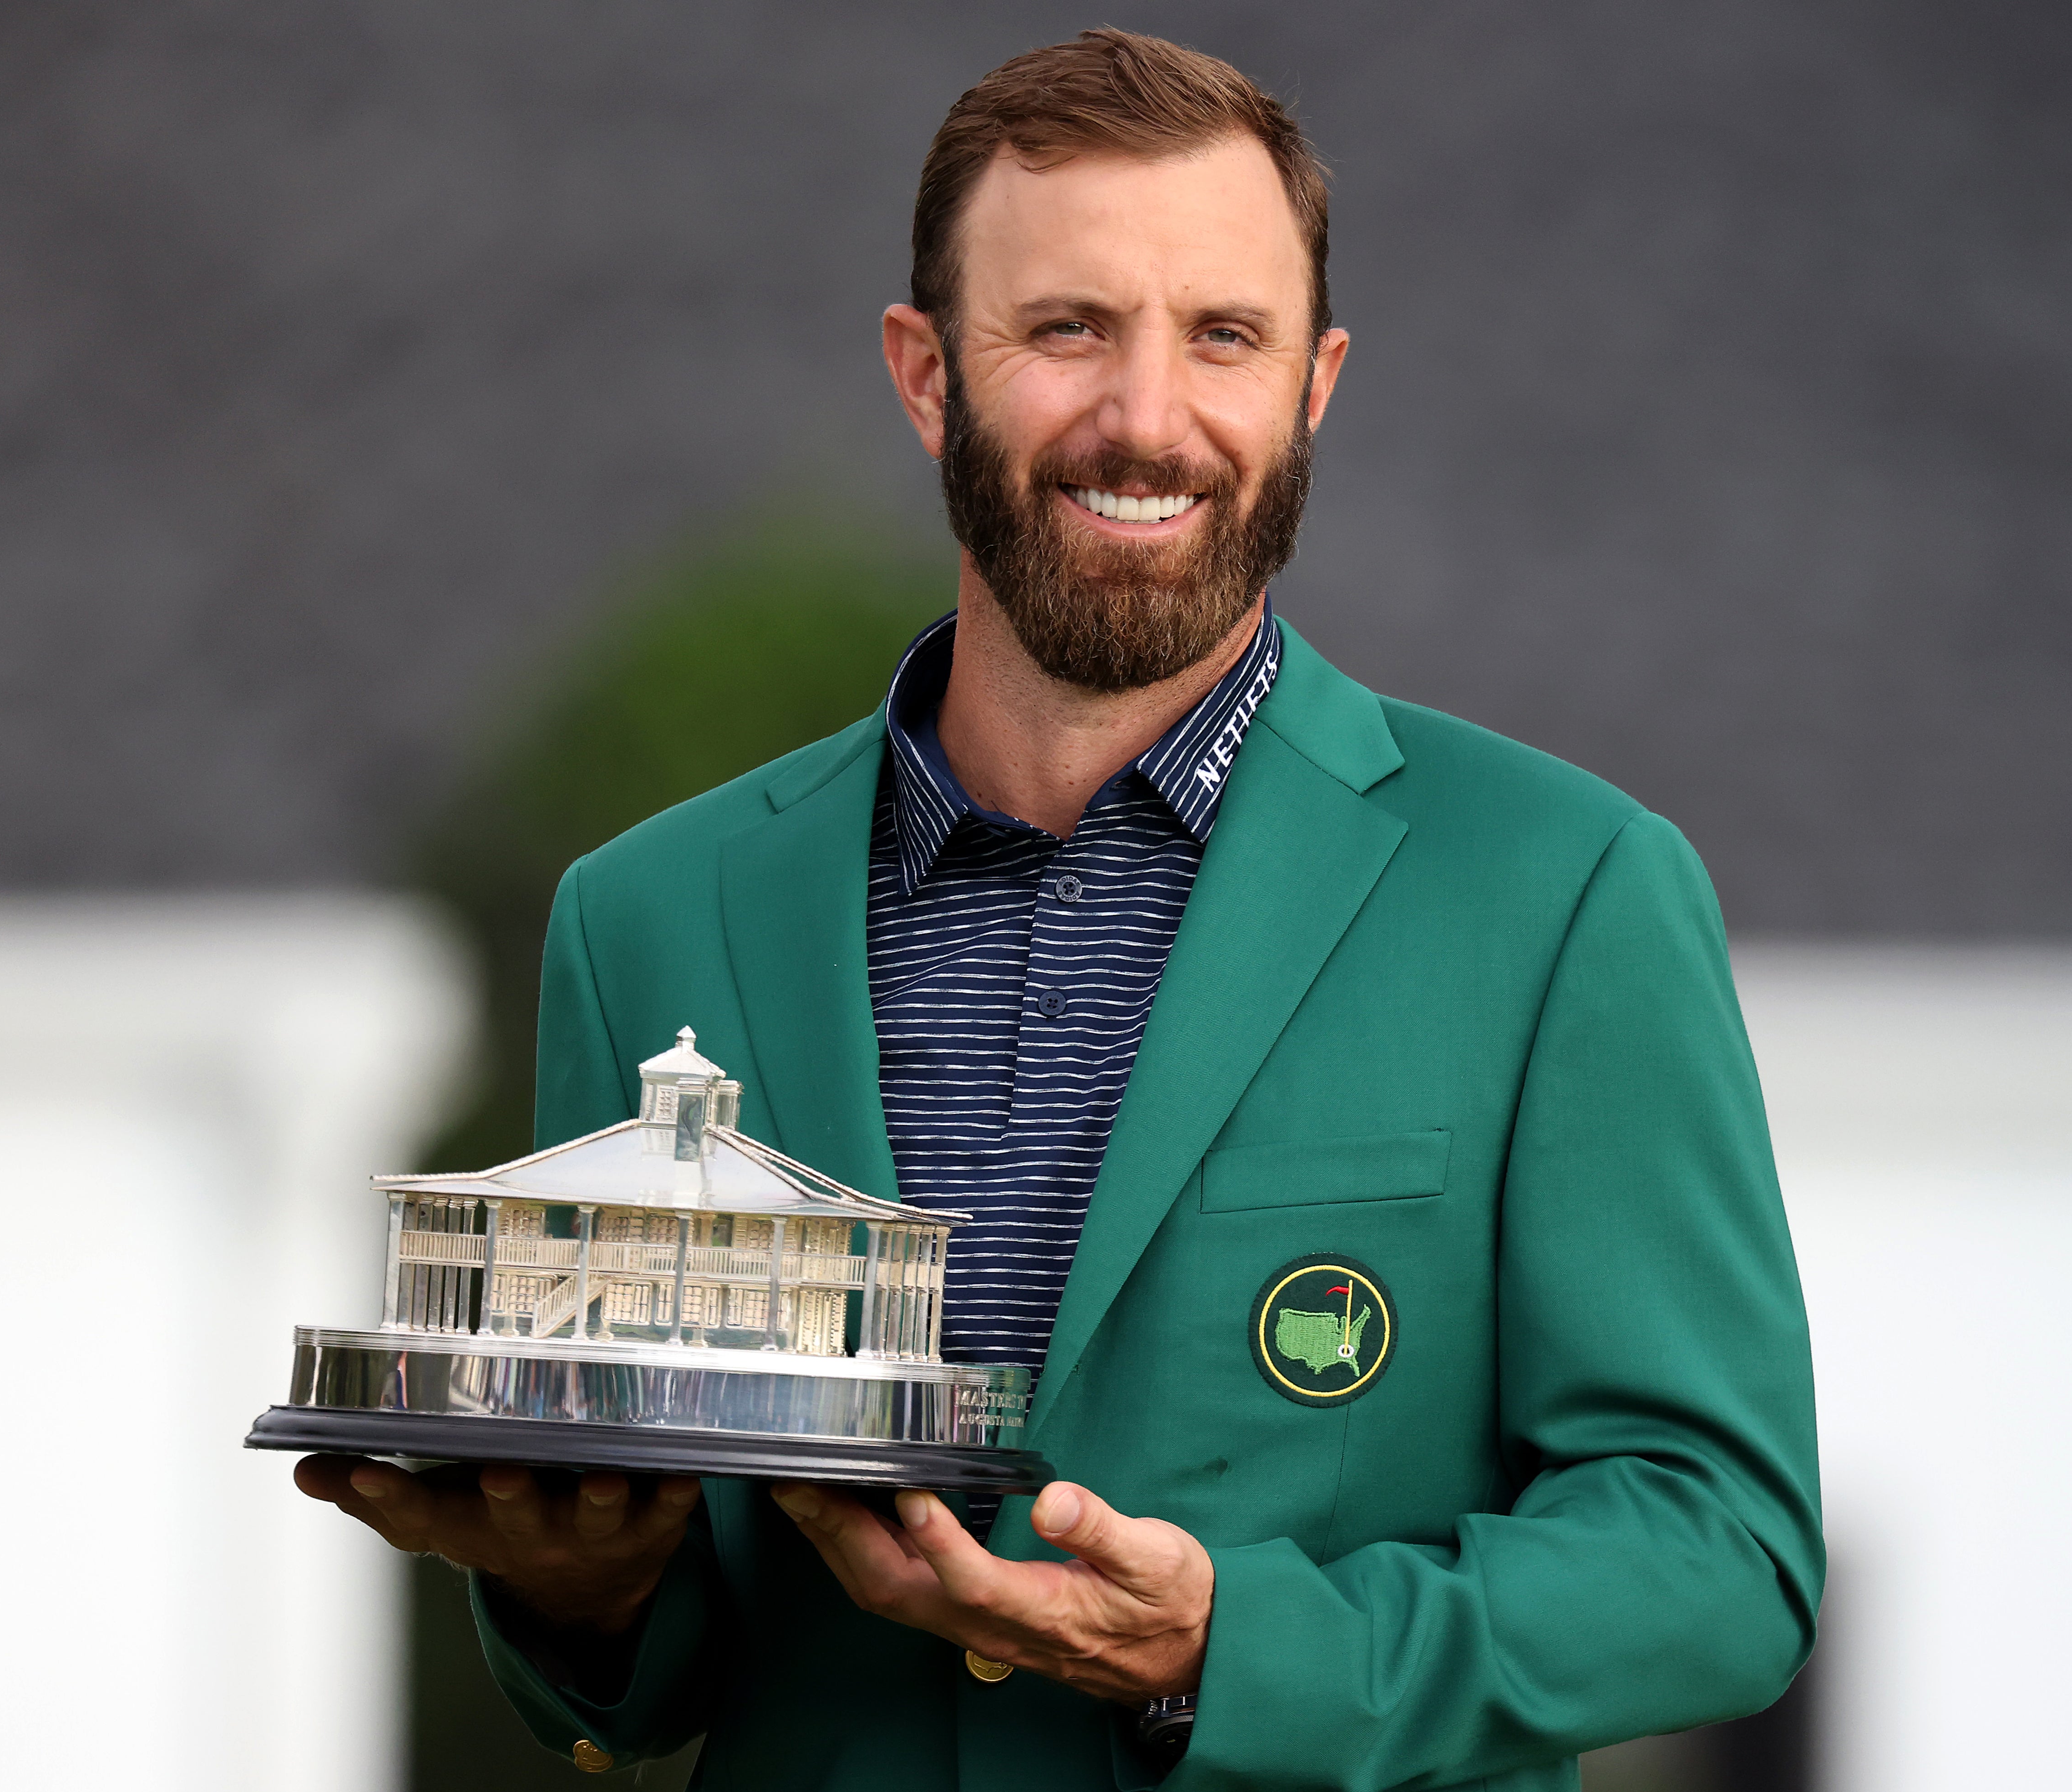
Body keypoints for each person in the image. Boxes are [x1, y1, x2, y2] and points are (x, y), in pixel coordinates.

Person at [295, 29, 1824, 1792]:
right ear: (927, 371)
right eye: (1067, 328)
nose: (1145, 417)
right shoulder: (646, 914)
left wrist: (1227, 1649)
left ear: (1313, 382)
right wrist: (589, 1592)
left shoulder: (1561, 893)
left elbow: (1717, 1555)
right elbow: (643, 1659)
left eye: (1221, 335)